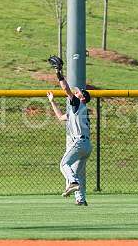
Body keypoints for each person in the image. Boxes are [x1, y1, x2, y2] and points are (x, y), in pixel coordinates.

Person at [46, 56, 92, 206]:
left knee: (63, 164)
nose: (76, 93)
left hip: (79, 142)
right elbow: (60, 117)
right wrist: (52, 101)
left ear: (82, 97)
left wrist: (58, 72)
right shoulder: (79, 111)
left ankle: (71, 182)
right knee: (78, 172)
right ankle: (81, 199)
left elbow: (65, 89)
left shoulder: (78, 103)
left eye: (78, 92)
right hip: (87, 146)